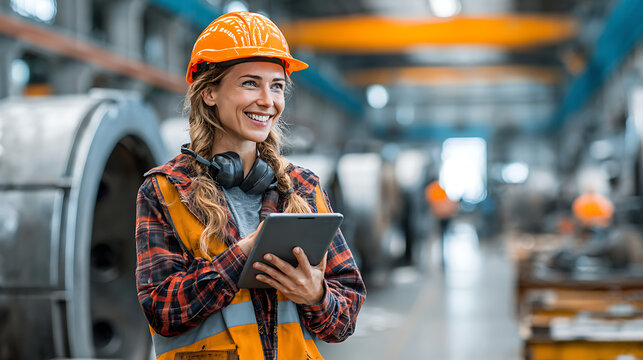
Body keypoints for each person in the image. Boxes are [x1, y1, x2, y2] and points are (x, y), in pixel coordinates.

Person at [135, 11, 365, 360]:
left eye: (276, 86)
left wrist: (317, 296)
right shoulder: (167, 191)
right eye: (249, 83)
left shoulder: (301, 187)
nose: (267, 101)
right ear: (210, 92)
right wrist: (242, 255)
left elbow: (345, 317)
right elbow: (162, 310)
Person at [425, 180, 458, 268]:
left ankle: (443, 258)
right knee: (441, 237)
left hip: (441, 216)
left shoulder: (432, 189)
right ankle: (442, 258)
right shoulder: (435, 189)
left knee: (441, 237)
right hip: (441, 216)